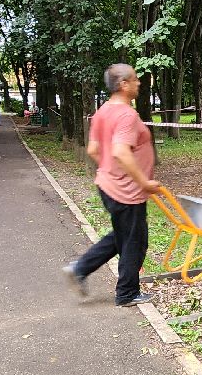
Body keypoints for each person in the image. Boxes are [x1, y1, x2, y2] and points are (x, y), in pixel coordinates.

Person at [63, 64, 159, 307]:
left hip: (108, 185)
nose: (139, 83)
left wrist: (112, 172)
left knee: (124, 236)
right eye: (135, 80)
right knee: (133, 241)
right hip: (127, 191)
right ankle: (127, 293)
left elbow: (94, 150)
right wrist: (142, 181)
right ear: (123, 84)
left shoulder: (103, 111)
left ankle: (79, 269)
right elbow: (120, 151)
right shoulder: (127, 115)